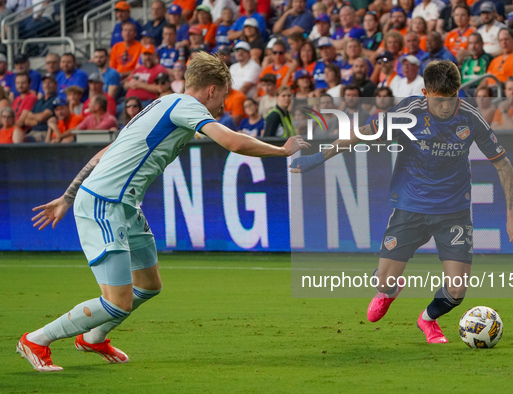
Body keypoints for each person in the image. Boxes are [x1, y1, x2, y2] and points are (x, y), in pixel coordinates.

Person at [17, 52, 309, 372]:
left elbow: (107, 151)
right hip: (104, 203)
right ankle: (36, 340)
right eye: (224, 95)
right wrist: (281, 150)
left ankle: (92, 337)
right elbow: (232, 142)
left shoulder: (163, 103)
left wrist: (68, 196)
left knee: (149, 285)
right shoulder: (186, 105)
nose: (225, 104)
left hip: (124, 204)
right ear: (211, 89)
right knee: (117, 301)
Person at [290, 60, 513, 344]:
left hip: (454, 212)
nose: (447, 107)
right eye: (440, 100)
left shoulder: (470, 118)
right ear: (426, 93)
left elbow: (503, 164)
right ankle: (390, 290)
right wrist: (317, 158)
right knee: (382, 281)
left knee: (457, 290)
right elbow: (359, 134)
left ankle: (427, 320)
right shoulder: (408, 114)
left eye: (452, 99)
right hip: (410, 208)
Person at [21, 73, 58, 141]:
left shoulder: (56, 99)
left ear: (56, 85)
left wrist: (32, 116)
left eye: (50, 83)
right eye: (45, 83)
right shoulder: (40, 100)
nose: (47, 85)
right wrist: (37, 120)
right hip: (32, 131)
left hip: (45, 132)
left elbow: (42, 117)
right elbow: (26, 120)